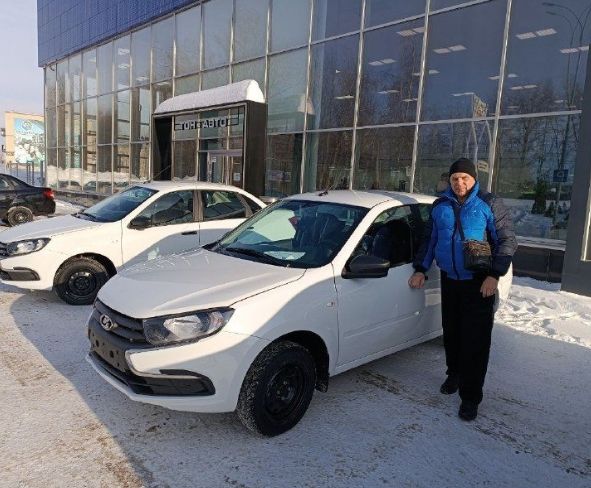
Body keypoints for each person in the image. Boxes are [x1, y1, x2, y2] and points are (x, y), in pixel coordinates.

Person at [408, 158, 517, 421]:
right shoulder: (440, 206)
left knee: (475, 341)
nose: (459, 183)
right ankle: (454, 374)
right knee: (452, 333)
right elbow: (430, 239)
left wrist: (494, 275)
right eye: (455, 178)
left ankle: (470, 397)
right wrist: (421, 268)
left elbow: (507, 241)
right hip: (450, 280)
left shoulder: (489, 203)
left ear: (474, 179)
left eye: (464, 178)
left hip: (479, 282)